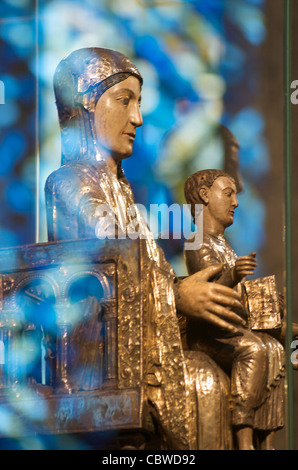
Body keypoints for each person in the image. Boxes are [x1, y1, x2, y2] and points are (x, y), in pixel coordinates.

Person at [45, 48, 246, 449]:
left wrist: (207, 291)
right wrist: (176, 297)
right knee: (202, 381)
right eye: (125, 100)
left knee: (244, 360)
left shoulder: (124, 194)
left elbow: (152, 272)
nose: (137, 118)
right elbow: (106, 278)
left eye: (138, 103)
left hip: (138, 352)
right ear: (86, 103)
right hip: (99, 364)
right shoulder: (69, 183)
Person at [184, 168, 285, 450]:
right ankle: (243, 433)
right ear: (205, 196)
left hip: (230, 328)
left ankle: (266, 440)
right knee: (253, 349)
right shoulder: (196, 240)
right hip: (209, 332)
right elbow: (210, 288)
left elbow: (238, 298)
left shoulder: (223, 245)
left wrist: (269, 304)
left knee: (274, 349)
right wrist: (233, 274)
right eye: (228, 194)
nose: (236, 202)